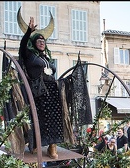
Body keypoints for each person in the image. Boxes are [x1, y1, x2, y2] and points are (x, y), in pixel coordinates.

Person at [18, 16, 81, 159]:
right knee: (39, 118)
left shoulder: (46, 58)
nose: (42, 43)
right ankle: (35, 144)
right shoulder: (30, 55)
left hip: (52, 90)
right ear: (33, 44)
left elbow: (51, 71)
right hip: (38, 91)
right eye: (39, 41)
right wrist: (29, 31)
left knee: (55, 118)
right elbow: (22, 46)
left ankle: (52, 147)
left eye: (43, 41)